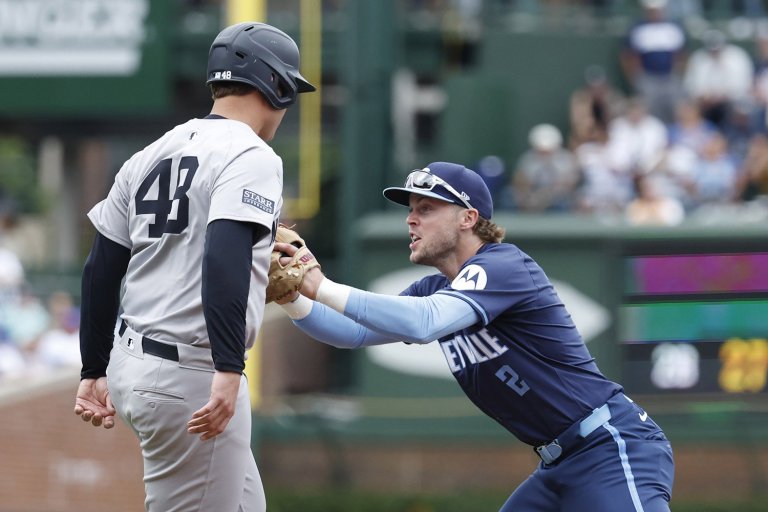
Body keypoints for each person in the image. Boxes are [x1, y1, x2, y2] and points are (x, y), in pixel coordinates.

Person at [275, 162, 675, 511]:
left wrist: (320, 285)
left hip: (610, 447)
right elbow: (352, 332)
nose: (411, 220)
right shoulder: (434, 288)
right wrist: (293, 296)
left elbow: (424, 323)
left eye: (426, 209)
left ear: (468, 218)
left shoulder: (504, 265)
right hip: (558, 465)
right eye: (411, 211)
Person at [73, 22, 315, 512]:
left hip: (134, 358)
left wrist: (94, 367)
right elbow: (223, 258)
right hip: (193, 371)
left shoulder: (150, 153)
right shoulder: (251, 154)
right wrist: (228, 368)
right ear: (277, 85)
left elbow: (101, 268)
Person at [620, 0, 687, 124]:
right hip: (648, 77)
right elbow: (628, 56)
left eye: (657, 10)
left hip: (669, 76)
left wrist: (678, 74)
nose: (655, 13)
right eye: (651, 10)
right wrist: (636, 77)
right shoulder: (638, 28)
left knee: (677, 109)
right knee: (649, 112)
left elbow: (682, 55)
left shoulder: (674, 27)